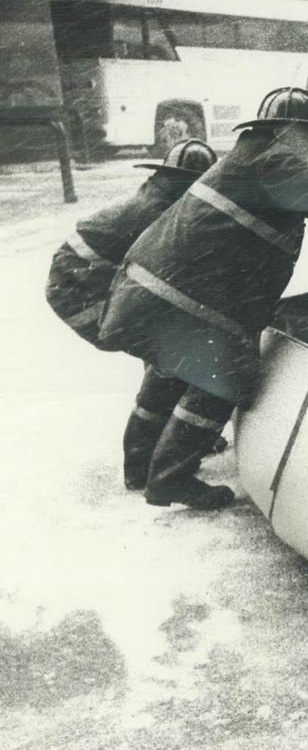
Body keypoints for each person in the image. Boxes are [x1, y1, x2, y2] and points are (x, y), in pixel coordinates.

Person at [96, 88, 308, 510]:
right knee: (223, 374)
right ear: (286, 131)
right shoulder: (271, 161)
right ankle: (170, 479)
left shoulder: (248, 161)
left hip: (151, 292)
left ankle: (139, 468)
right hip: (177, 298)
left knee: (168, 373)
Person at [45, 139, 221, 492]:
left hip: (81, 282)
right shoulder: (161, 212)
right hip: (78, 292)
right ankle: (144, 462)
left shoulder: (157, 196)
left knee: (166, 349)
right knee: (171, 358)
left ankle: (159, 444)